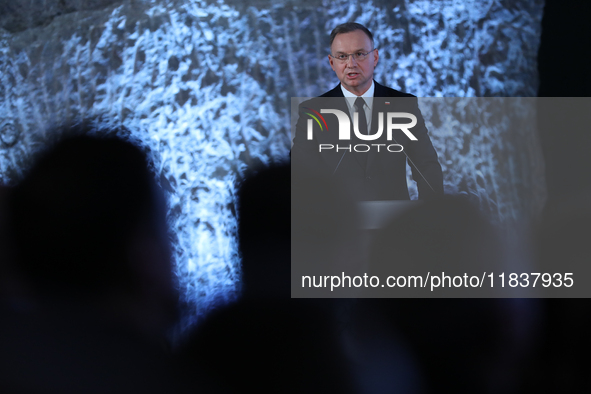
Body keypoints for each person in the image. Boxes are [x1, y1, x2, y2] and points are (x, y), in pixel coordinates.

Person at [291, 22, 444, 201]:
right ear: (332, 63)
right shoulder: (313, 112)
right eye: (342, 56)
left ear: (375, 57)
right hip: (336, 224)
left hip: (395, 223)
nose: (351, 63)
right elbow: (299, 174)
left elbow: (426, 167)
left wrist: (431, 220)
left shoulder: (403, 105)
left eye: (360, 54)